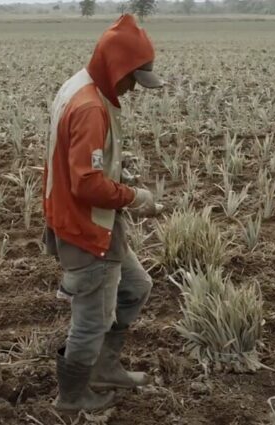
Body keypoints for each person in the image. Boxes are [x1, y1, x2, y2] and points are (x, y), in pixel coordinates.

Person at [42, 14, 165, 412]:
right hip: (85, 227)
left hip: (96, 222)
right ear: (117, 69)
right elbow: (87, 183)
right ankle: (72, 396)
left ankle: (105, 366)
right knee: (92, 319)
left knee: (136, 287)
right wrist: (134, 196)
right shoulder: (90, 107)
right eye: (132, 79)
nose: (132, 89)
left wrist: (116, 175)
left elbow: (82, 166)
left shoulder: (79, 85)